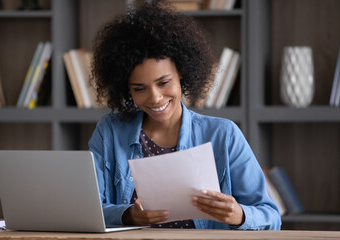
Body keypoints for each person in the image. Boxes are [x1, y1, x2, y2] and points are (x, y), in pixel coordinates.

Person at [88, 0, 281, 230]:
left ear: (182, 72)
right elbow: (89, 210)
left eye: (164, 82)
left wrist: (239, 215)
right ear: (125, 89)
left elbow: (271, 216)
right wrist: (128, 215)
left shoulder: (223, 135)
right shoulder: (109, 132)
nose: (155, 97)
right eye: (139, 88)